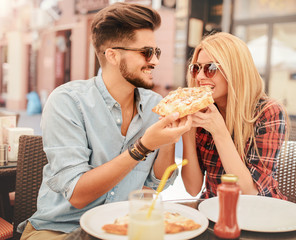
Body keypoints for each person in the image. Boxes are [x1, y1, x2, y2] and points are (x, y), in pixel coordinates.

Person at [19, 3, 191, 239]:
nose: (155, 61)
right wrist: (143, 147)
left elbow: (156, 183)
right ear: (112, 54)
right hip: (59, 230)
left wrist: (170, 138)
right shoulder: (68, 102)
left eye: (157, 52)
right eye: (146, 52)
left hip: (121, 228)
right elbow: (78, 195)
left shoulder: (156, 104)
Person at [181, 32, 289, 200]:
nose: (200, 77)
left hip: (260, 214)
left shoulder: (268, 112)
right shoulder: (202, 112)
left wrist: (219, 131)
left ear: (235, 71)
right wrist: (188, 133)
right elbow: (193, 188)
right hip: (212, 209)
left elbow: (249, 192)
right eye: (196, 68)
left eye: (211, 68)